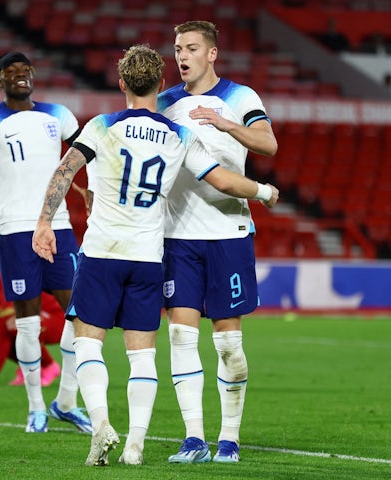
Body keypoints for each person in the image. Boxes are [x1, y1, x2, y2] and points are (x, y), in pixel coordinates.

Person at [32, 44, 278, 466]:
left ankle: (102, 424)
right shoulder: (179, 135)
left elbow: (64, 171)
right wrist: (265, 191)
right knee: (142, 353)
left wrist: (44, 223)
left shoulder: (101, 125)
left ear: (122, 83)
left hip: (104, 249)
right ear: (162, 84)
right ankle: (136, 445)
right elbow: (222, 180)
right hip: (149, 254)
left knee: (88, 341)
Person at [0, 51, 91, 434]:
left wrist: (93, 189)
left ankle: (66, 402)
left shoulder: (60, 115)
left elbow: (87, 157)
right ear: (0, 81)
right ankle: (36, 408)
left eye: (25, 71)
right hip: (14, 230)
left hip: (58, 226)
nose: (20, 77)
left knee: (78, 315)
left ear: (34, 75)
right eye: (11, 73)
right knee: (26, 325)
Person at [157, 21, 279, 464]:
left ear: (212, 54)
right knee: (180, 336)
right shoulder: (164, 102)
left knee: (228, 344)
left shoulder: (240, 97)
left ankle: (229, 438)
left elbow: (268, 144)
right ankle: (194, 438)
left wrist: (222, 123)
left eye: (191, 48)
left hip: (228, 233)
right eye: (177, 49)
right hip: (178, 237)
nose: (182, 56)